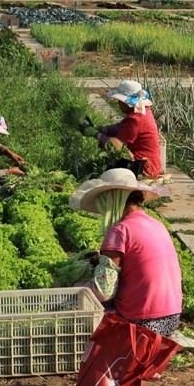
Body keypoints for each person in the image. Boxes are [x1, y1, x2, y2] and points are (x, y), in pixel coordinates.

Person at [69, 168, 181, 337]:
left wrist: (74, 289)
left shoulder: (120, 231)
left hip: (142, 323)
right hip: (171, 319)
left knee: (74, 307)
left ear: (112, 200)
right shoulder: (157, 224)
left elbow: (104, 291)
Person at [80, 80, 162, 178]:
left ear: (128, 102)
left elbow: (116, 146)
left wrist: (95, 134)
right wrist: (97, 128)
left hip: (143, 169)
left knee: (107, 170)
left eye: (120, 100)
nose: (118, 103)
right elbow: (119, 128)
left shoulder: (136, 119)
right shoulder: (141, 111)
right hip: (150, 164)